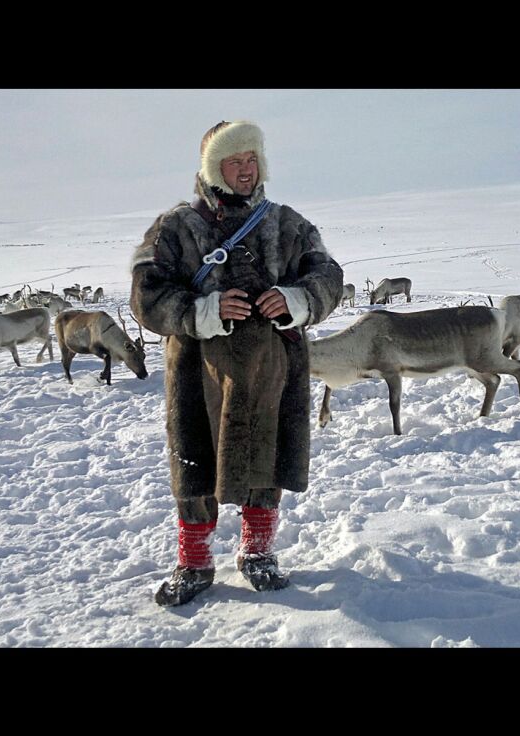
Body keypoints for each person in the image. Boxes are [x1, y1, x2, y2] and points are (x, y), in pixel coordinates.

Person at [130, 120, 343, 606]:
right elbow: (147, 295)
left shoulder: (288, 224)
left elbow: (329, 275)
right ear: (212, 168)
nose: (246, 170)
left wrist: (297, 298)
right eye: (234, 161)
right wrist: (201, 310)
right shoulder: (176, 227)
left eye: (252, 159)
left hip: (273, 366)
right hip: (197, 369)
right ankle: (195, 562)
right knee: (195, 460)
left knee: (265, 455)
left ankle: (258, 553)